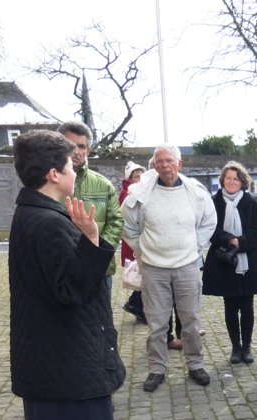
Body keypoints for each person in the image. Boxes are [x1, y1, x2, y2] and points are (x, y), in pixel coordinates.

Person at [8, 130, 151, 420]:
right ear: (54, 174)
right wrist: (91, 238)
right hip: (69, 359)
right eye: (71, 166)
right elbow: (71, 291)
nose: (76, 171)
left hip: (46, 359)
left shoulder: (31, 212)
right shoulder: (50, 222)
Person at [121, 143, 217, 392]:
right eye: (160, 161)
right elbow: (127, 225)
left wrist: (195, 246)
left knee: (191, 320)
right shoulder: (141, 194)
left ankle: (195, 364)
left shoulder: (195, 192)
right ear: (154, 165)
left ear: (179, 164)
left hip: (187, 267)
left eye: (169, 160)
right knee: (156, 323)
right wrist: (142, 251)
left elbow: (209, 220)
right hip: (154, 268)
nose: (165, 165)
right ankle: (157, 369)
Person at [202, 161, 257, 364]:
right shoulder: (213, 203)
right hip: (223, 259)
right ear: (222, 180)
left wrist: (240, 242)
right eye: (228, 178)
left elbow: (256, 231)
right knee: (230, 306)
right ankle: (235, 347)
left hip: (247, 260)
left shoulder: (251, 203)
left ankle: (247, 347)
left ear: (243, 182)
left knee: (247, 306)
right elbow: (210, 229)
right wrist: (229, 240)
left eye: (236, 179)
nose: (232, 182)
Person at [57, 121, 123, 297]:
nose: (76, 151)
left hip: (99, 270)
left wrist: (98, 251)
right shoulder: (48, 183)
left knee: (101, 314)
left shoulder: (103, 185)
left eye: (81, 146)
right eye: (70, 145)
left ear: (88, 151)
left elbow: (116, 221)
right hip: (61, 267)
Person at [120, 161, 147, 323]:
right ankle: (135, 306)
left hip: (136, 241)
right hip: (134, 244)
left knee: (142, 278)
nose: (139, 179)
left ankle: (136, 307)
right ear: (129, 178)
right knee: (140, 277)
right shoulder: (128, 194)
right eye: (136, 176)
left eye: (141, 176)